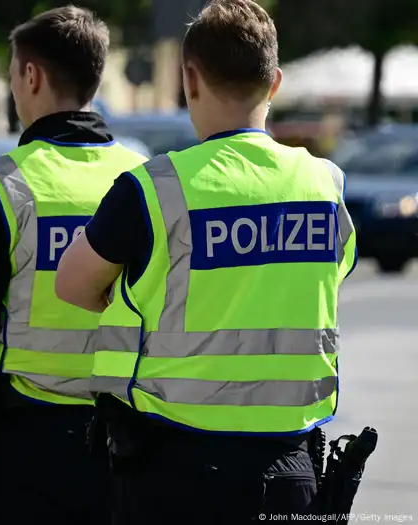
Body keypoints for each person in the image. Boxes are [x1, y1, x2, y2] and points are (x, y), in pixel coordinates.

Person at [54, 1, 356, 523]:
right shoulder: (324, 184)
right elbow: (333, 274)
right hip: (290, 470)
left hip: (175, 470)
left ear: (189, 79)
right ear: (275, 83)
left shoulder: (153, 188)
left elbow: (72, 285)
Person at [0, 7, 148, 525]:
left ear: (31, 75)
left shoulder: (3, 189)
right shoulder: (149, 183)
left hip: (29, 449)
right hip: (132, 444)